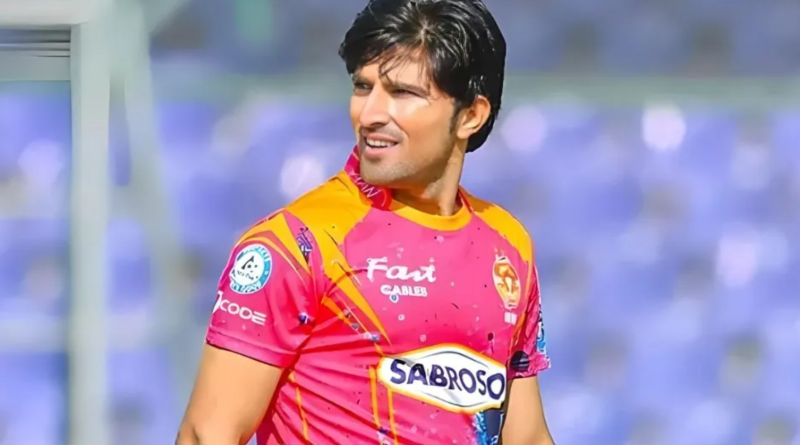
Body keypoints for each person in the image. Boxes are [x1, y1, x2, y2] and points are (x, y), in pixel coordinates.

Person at [176, 0, 554, 444]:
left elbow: (527, 436)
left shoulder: (507, 244)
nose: (370, 113)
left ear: (471, 115)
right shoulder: (296, 244)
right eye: (363, 86)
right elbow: (207, 433)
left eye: (402, 93)